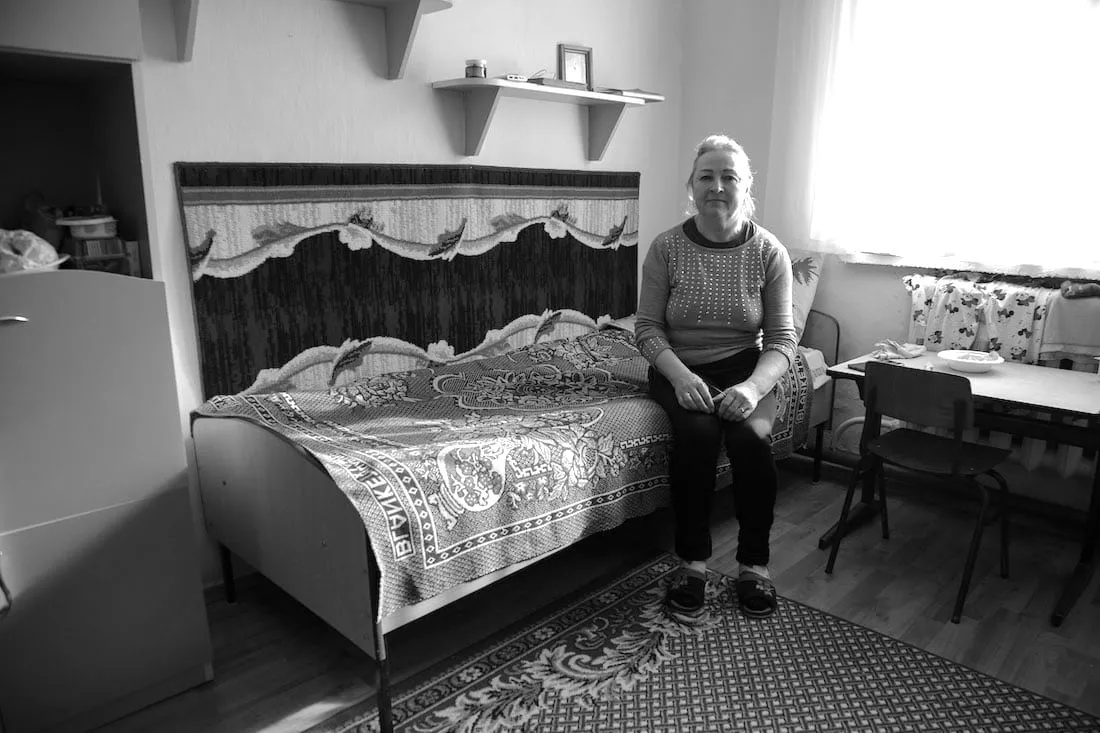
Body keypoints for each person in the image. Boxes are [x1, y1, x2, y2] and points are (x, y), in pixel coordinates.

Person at [635, 133, 796, 620]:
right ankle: (694, 562)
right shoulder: (666, 248)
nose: (717, 186)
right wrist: (680, 376)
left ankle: (754, 565)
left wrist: (751, 388)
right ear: (691, 185)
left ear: (747, 187)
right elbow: (646, 328)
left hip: (746, 367)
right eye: (707, 176)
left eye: (730, 177)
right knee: (698, 439)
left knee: (750, 441)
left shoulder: (769, 253)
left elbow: (783, 341)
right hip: (677, 365)